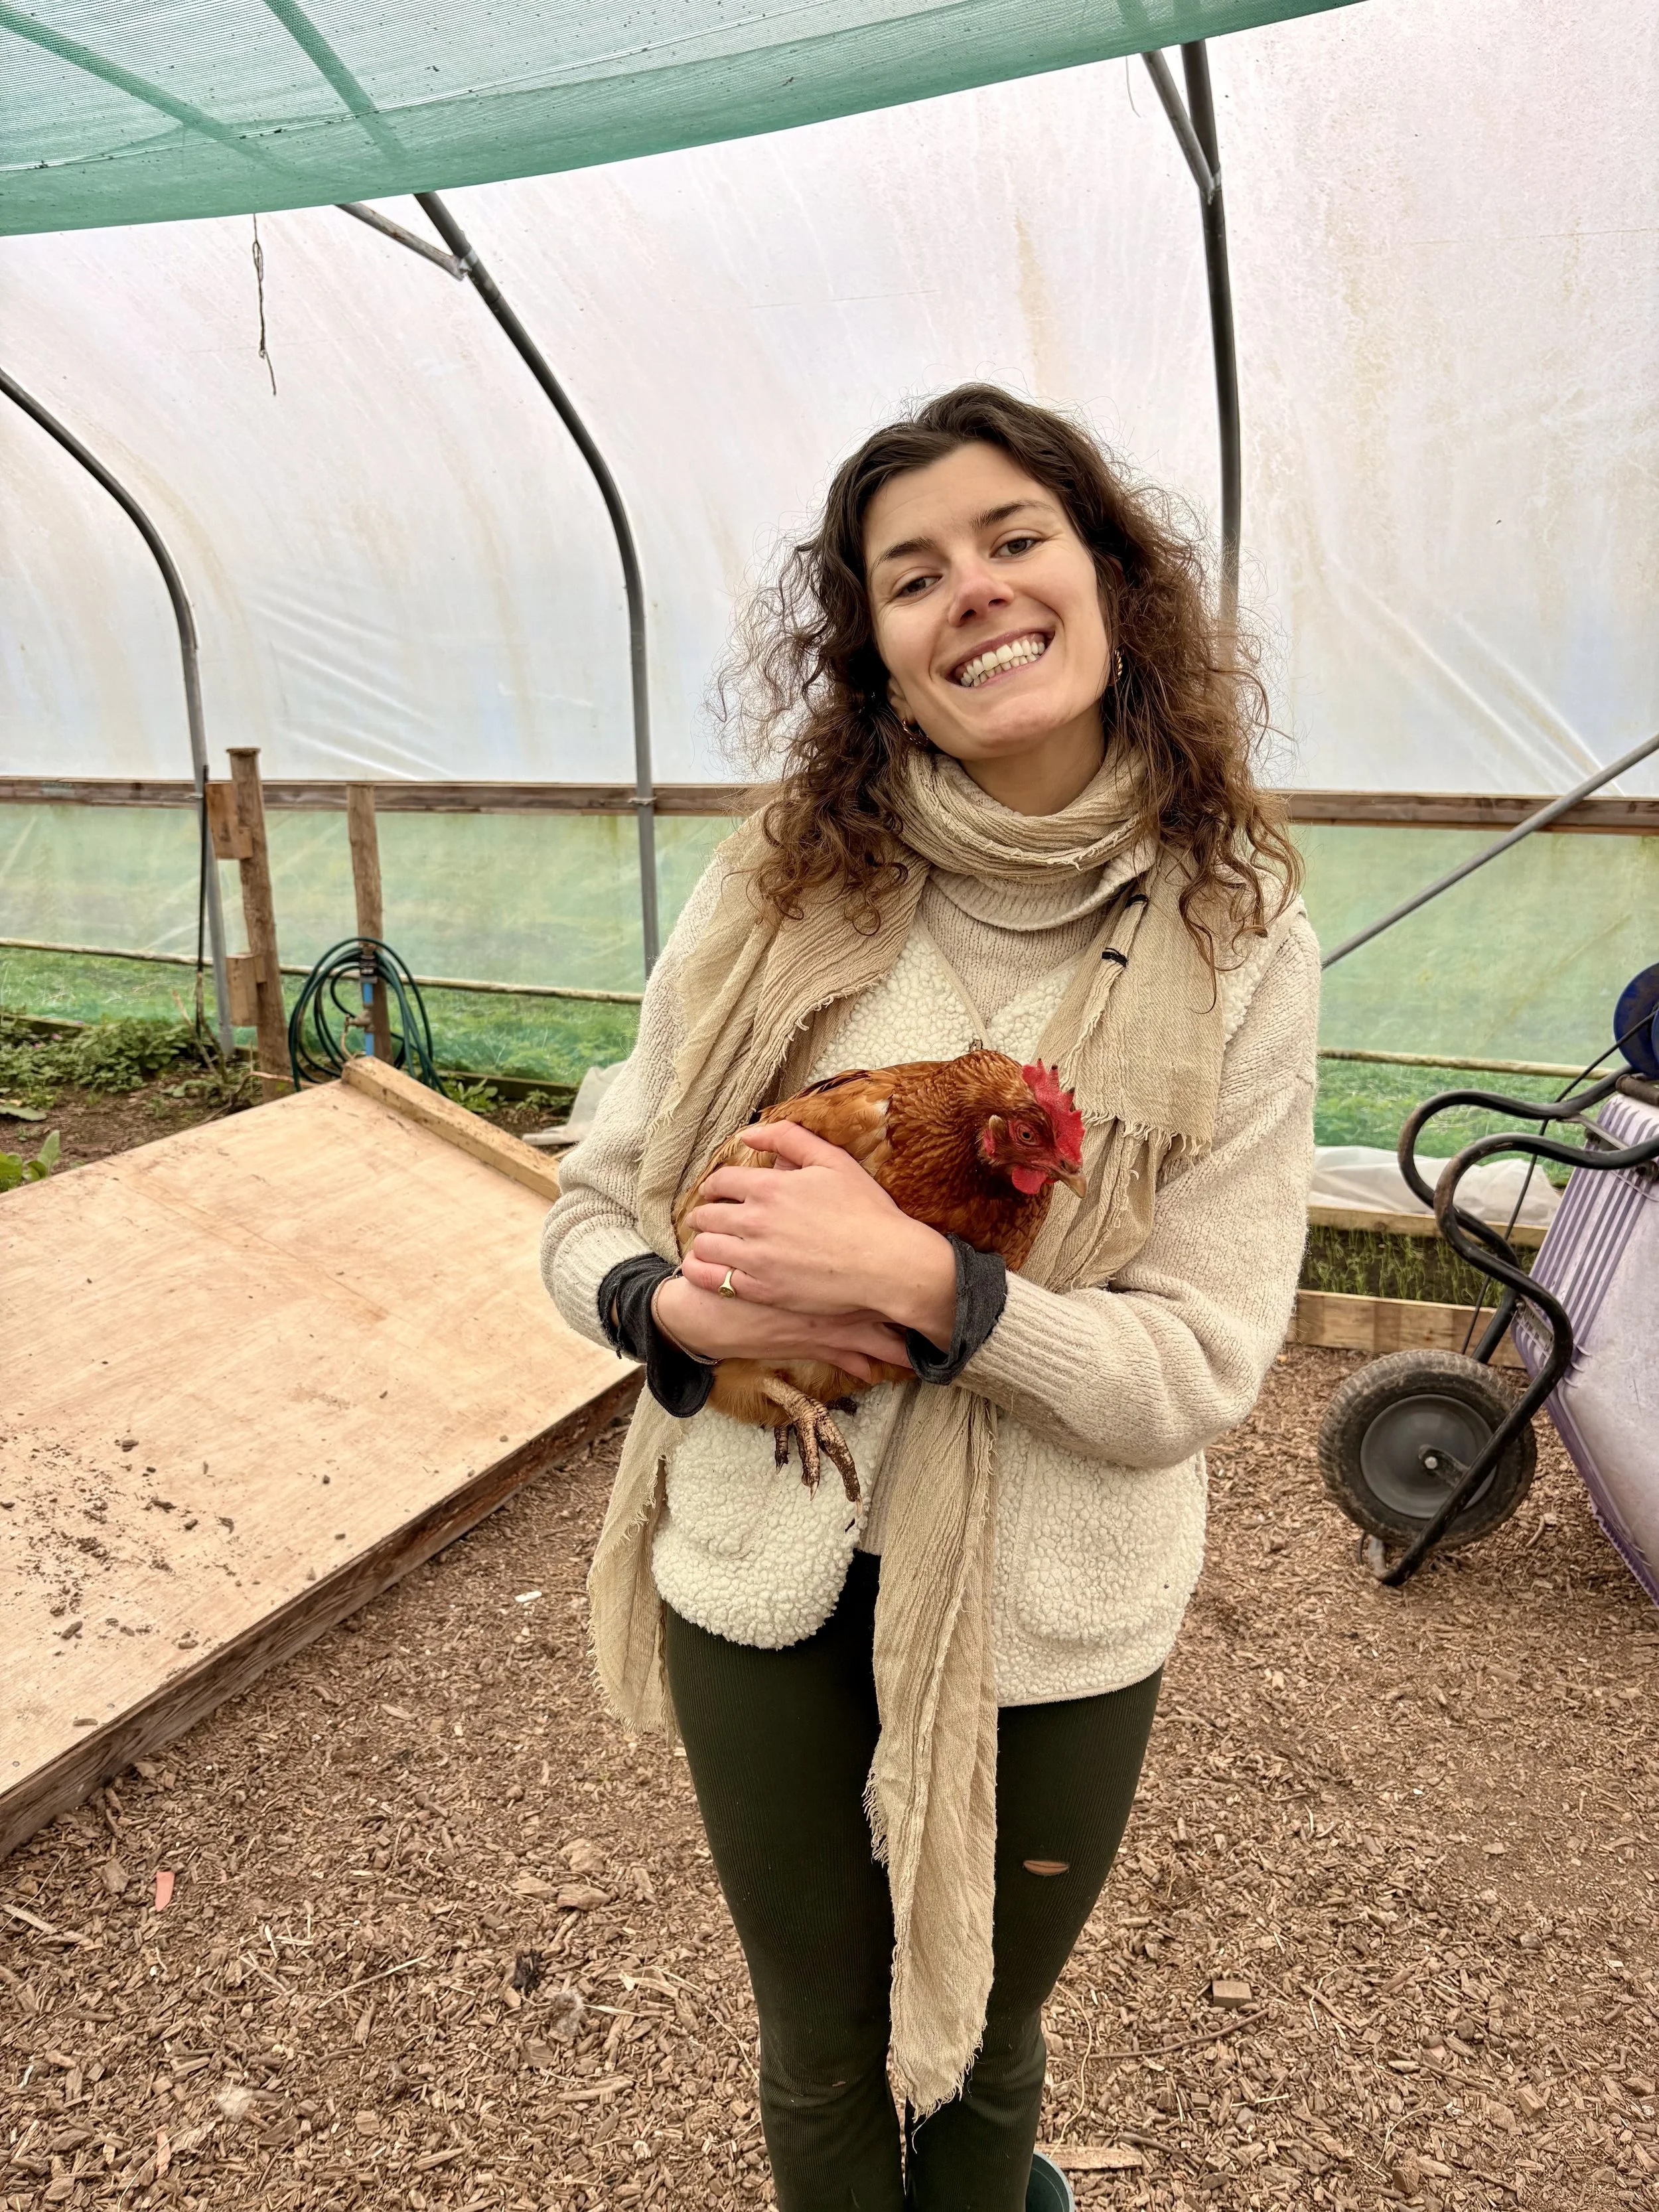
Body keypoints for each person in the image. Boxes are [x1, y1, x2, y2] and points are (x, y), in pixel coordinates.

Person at [542, 384, 1318, 2212]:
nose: (971, 589)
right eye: (912, 573)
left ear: (1110, 583)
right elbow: (587, 1210)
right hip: (759, 1557)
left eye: (1012, 538)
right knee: (815, 2036)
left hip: (1051, 1603)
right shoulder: (774, 884)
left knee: (969, 2041)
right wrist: (678, 1310)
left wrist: (931, 1285)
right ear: (878, 654)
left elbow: (1198, 1361)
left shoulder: (1237, 932)